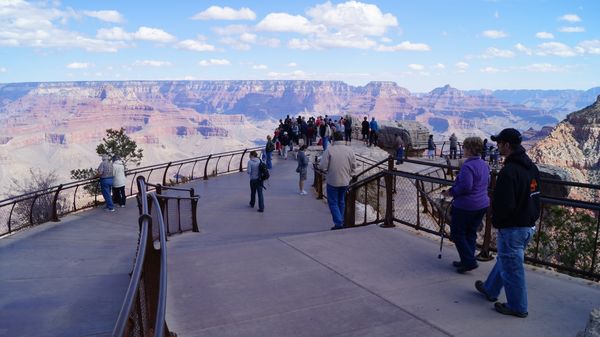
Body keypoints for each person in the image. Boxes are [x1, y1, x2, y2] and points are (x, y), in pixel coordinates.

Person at [475, 128, 541, 318]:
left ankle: (518, 307)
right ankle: (490, 288)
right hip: (528, 226)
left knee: (513, 269)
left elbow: (504, 204)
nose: (497, 146)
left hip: (513, 228)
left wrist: (497, 222)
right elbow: (535, 196)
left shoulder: (509, 172)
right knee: (507, 260)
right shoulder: (531, 167)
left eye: (499, 143)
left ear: (507, 145)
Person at [441, 137, 489, 273]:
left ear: (470, 149)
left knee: (457, 233)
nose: (463, 149)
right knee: (470, 232)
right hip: (482, 204)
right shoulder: (484, 164)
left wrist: (450, 192)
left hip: (466, 206)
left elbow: (466, 187)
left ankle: (469, 261)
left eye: (465, 147)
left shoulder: (468, 166)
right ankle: (466, 259)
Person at [319, 132, 357, 230]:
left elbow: (323, 166)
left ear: (333, 139)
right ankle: (341, 220)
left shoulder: (329, 150)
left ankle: (339, 222)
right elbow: (354, 166)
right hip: (345, 180)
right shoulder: (349, 150)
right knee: (341, 201)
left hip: (332, 180)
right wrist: (351, 173)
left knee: (333, 202)